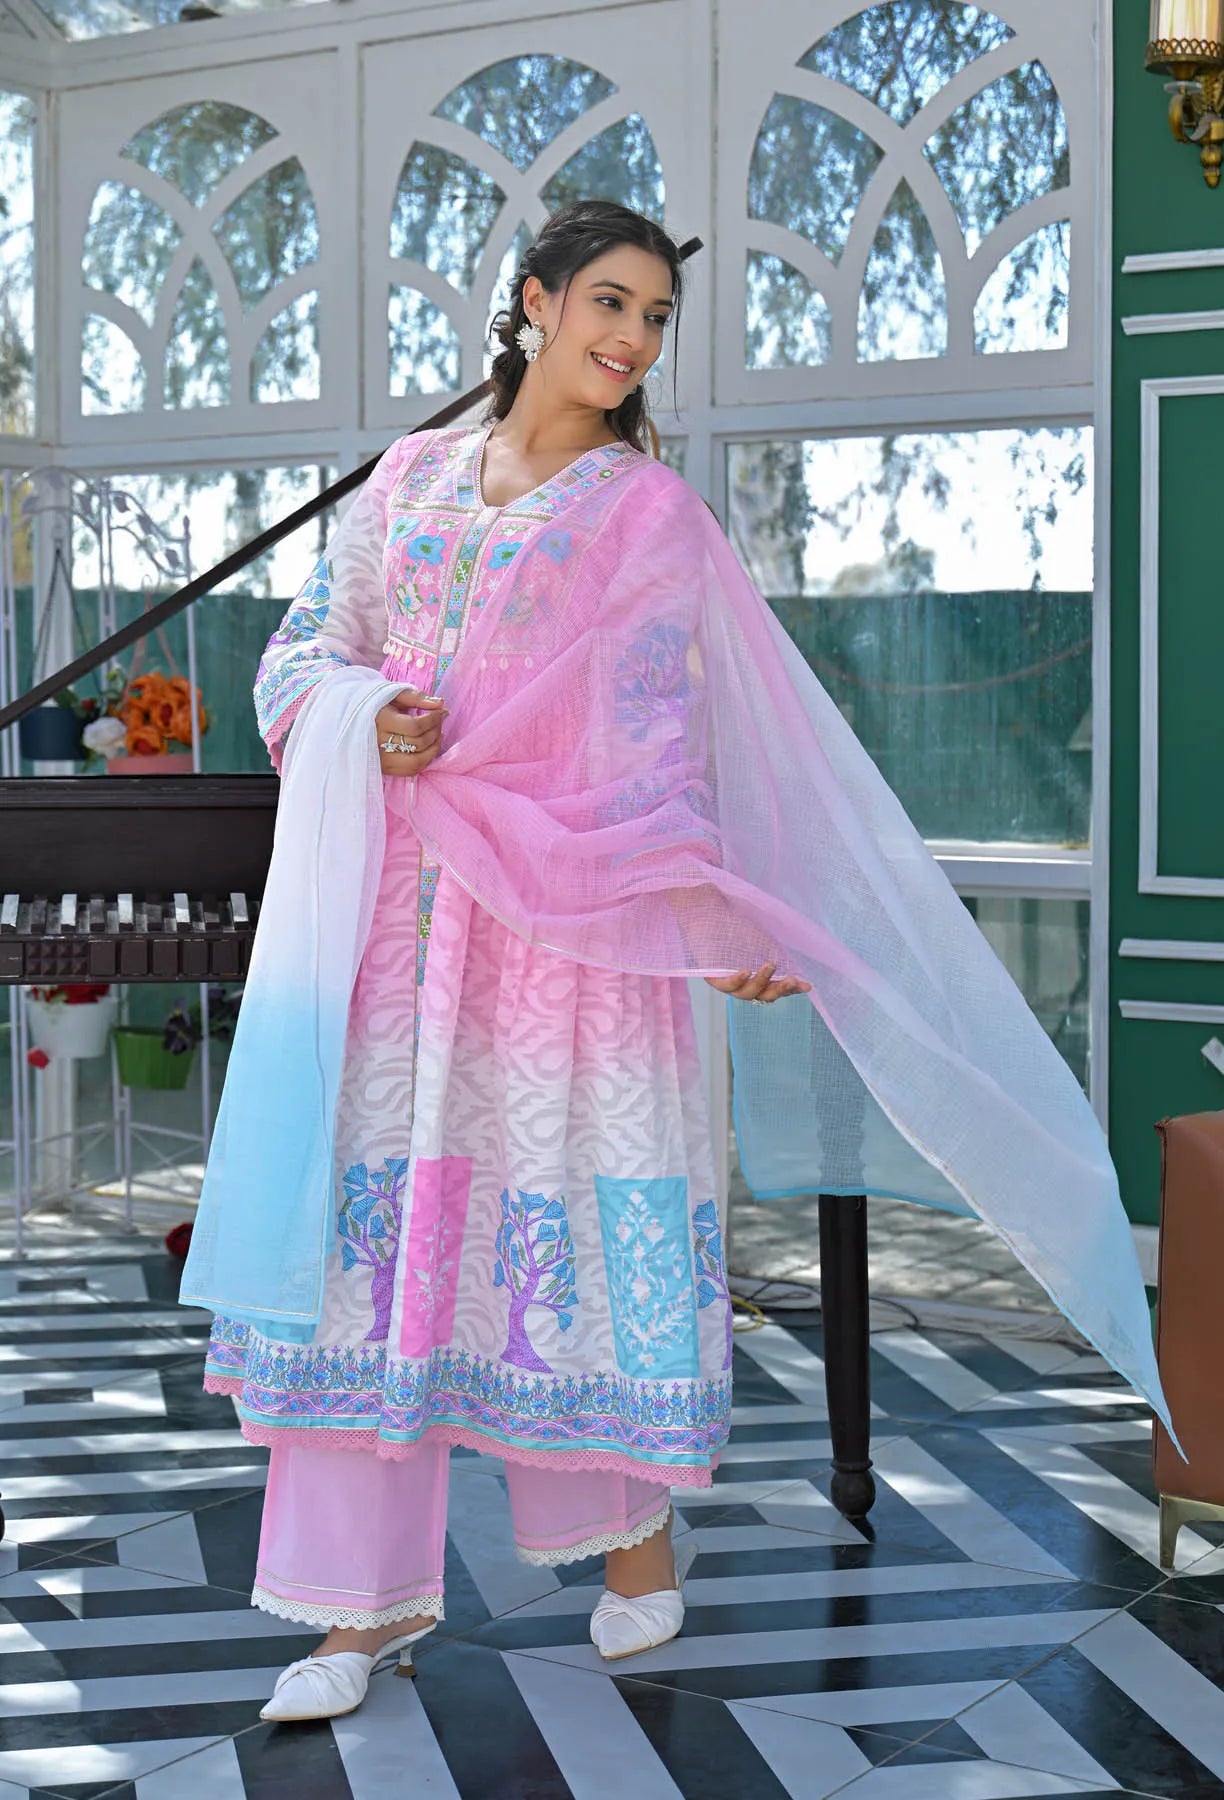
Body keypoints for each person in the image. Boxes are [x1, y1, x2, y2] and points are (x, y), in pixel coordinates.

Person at [183, 199, 1173, 1725]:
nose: (632, 338)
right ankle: (349, 1608)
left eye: (654, 318)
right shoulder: (409, 479)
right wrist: (360, 710)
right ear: (532, 302)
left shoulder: (643, 513)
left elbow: (665, 744)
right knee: (375, 1252)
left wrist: (709, 919)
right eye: (610, 303)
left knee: (559, 1231)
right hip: (399, 923)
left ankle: (632, 1546)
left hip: (573, 940)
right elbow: (300, 647)